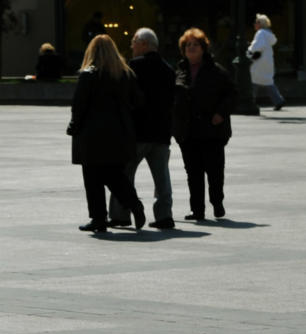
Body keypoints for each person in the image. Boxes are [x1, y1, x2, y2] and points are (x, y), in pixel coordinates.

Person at [68, 35, 146, 234]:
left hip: (92, 135)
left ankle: (98, 219)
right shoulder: (125, 73)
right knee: (114, 175)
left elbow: (79, 105)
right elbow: (138, 102)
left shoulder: (88, 74)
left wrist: (73, 126)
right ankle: (134, 204)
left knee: (92, 179)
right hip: (119, 133)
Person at [108, 28, 176, 230]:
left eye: (134, 42)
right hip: (161, 133)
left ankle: (121, 215)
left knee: (124, 174)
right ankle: (164, 216)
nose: (131, 46)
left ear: (144, 44)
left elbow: (126, 97)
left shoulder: (134, 66)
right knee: (162, 177)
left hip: (138, 133)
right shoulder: (168, 70)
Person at [172, 28, 235, 220]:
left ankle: (217, 203)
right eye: (188, 45)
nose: (191, 48)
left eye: (195, 45)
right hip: (188, 131)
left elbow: (232, 95)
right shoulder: (180, 70)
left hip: (212, 130)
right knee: (193, 173)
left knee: (215, 171)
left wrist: (220, 114)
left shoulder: (216, 70)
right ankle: (197, 209)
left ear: (203, 48)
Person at [247, 14, 285, 111]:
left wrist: (249, 51)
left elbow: (257, 46)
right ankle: (278, 100)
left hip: (259, 62)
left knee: (253, 81)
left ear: (260, 24)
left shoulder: (261, 33)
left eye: (256, 22)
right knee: (268, 81)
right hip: (267, 61)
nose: (254, 24)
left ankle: (250, 101)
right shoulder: (268, 34)